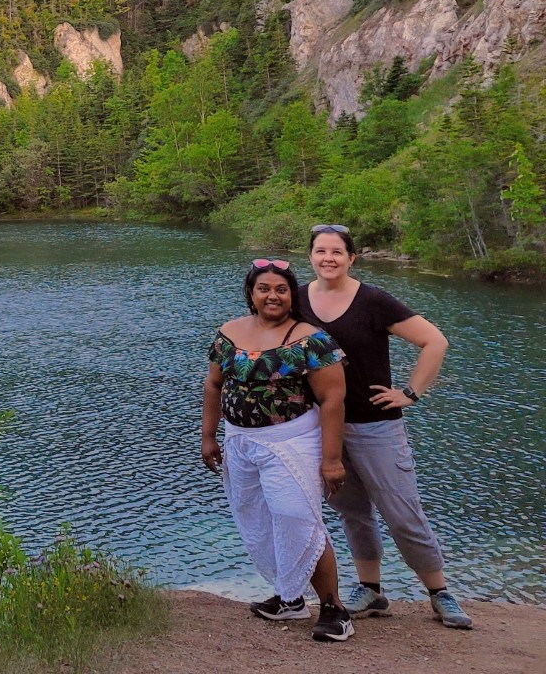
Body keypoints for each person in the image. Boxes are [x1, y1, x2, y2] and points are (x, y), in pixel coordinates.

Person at [298, 224, 473, 630]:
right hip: (323, 426)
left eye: (337, 252)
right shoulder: (300, 300)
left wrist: (410, 393)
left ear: (351, 257)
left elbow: (435, 341)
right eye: (321, 251)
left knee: (402, 512)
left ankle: (439, 592)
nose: (328, 258)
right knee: (352, 513)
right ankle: (372, 590)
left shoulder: (373, 300)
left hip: (375, 424)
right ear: (310, 256)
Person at [202, 258, 354, 643]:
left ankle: (334, 608)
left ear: (292, 295)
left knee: (298, 517)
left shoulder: (310, 339)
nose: (273, 295)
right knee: (257, 519)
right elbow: (213, 386)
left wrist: (332, 459)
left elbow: (333, 398)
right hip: (239, 441)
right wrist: (208, 436)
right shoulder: (229, 332)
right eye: (264, 288)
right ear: (251, 294)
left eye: (281, 289)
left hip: (291, 440)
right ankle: (290, 598)